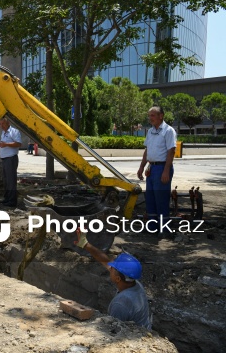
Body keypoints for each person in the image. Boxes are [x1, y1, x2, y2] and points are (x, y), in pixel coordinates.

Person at [74, 230, 152, 329]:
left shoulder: (120, 304)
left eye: (112, 268)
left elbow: (113, 331)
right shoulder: (133, 282)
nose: (110, 267)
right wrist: (86, 244)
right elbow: (106, 261)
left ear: (118, 278)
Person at [136, 106, 177, 234]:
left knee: (161, 199)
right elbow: (147, 150)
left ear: (161, 116)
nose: (150, 118)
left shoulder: (168, 131)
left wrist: (166, 170)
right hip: (152, 168)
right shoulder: (150, 131)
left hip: (162, 168)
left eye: (153, 115)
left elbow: (171, 151)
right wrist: (141, 167)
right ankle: (152, 228)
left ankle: (164, 229)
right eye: (149, 116)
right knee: (151, 199)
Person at [0, 117, 22, 207]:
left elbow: (18, 143)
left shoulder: (14, 131)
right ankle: (7, 199)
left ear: (8, 123)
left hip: (11, 158)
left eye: (3, 124)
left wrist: (5, 144)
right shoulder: (3, 133)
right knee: (6, 180)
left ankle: (12, 201)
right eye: (0, 124)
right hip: (4, 159)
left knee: (11, 181)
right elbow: (3, 145)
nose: (1, 126)